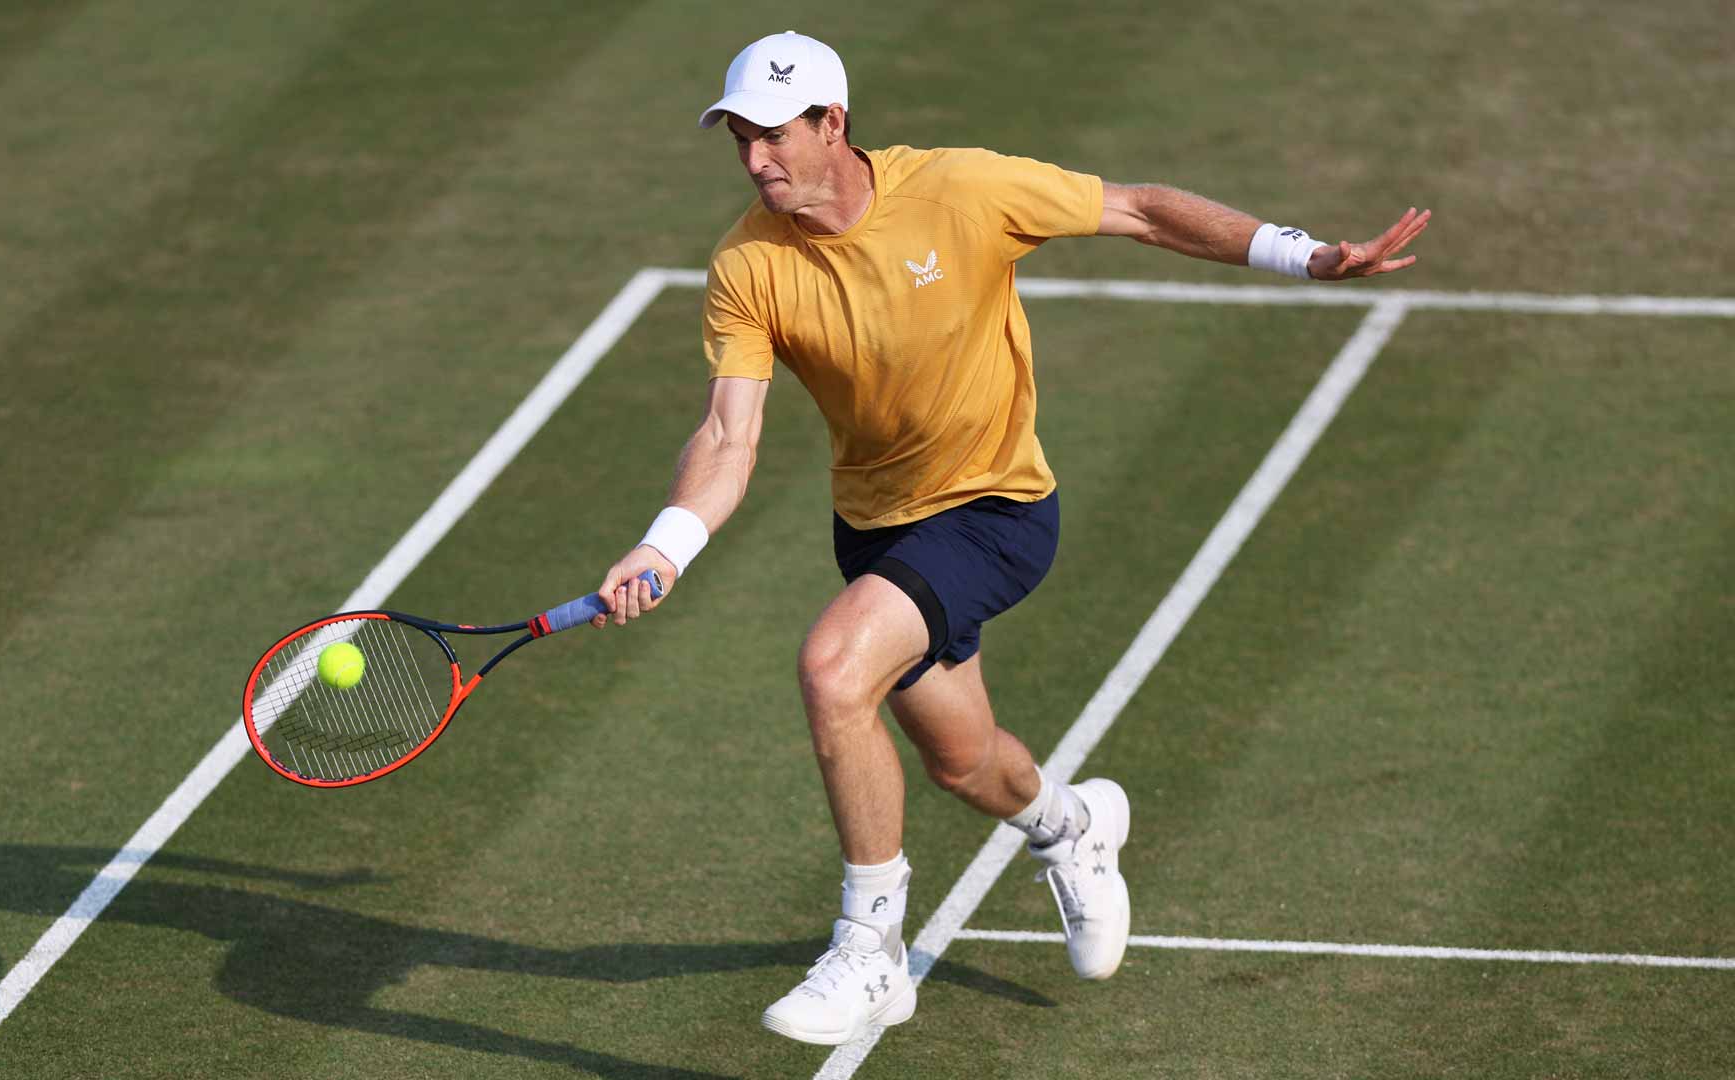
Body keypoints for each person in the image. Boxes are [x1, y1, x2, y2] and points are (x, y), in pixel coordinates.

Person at [592, 30, 1429, 1046]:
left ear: (833, 124)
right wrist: (666, 545)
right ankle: (1072, 830)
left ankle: (870, 952)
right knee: (965, 763)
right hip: (878, 536)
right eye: (740, 139)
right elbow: (730, 433)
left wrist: (1303, 255)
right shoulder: (747, 266)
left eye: (774, 135)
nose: (757, 159)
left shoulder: (962, 190)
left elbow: (1139, 209)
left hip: (996, 511)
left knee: (832, 668)